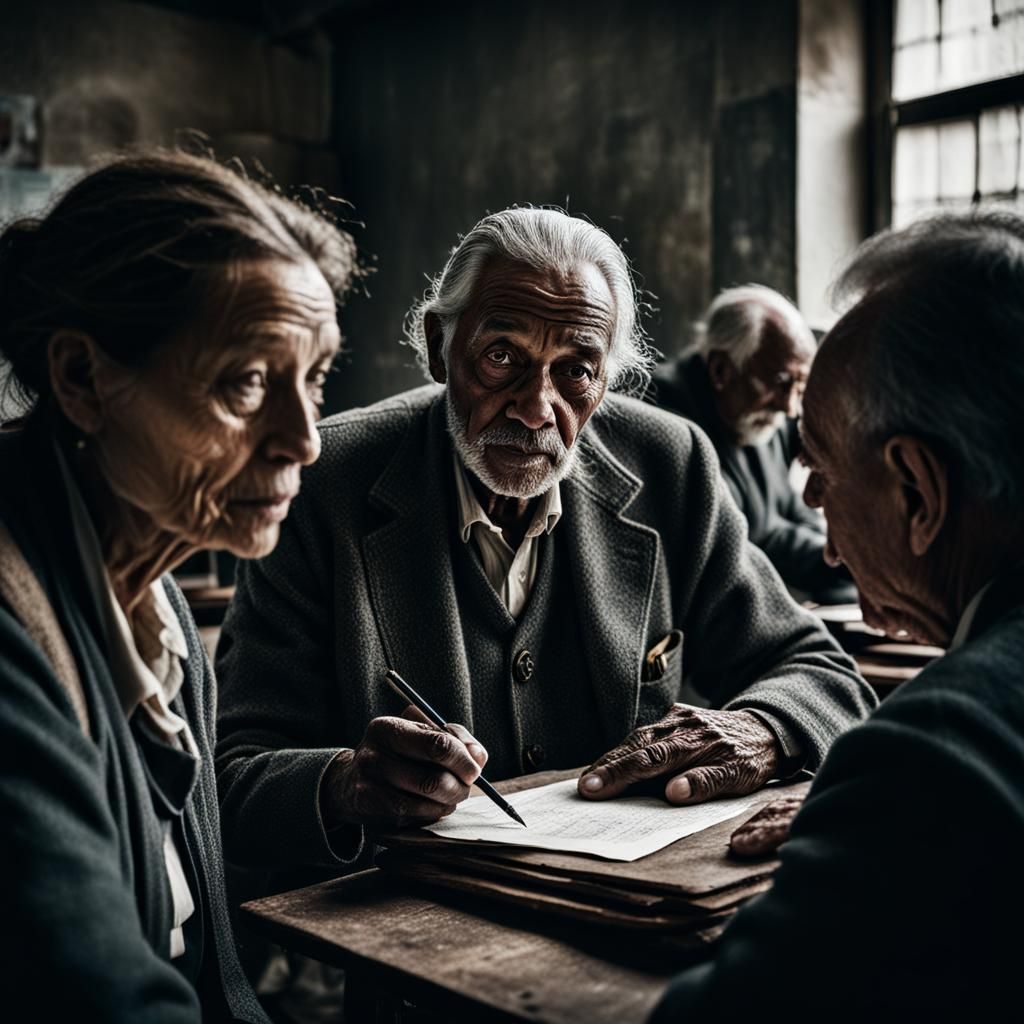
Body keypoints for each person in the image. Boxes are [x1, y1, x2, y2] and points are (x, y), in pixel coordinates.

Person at [214, 207, 875, 876]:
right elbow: (234, 772)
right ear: (440, 344)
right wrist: (343, 784)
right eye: (503, 357)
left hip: (640, 916)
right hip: (416, 935)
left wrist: (760, 729)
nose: (536, 409)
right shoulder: (324, 485)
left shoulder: (670, 465)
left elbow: (822, 673)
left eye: (576, 371)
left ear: (607, 381)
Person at [0, 149, 357, 1021]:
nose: (303, 440)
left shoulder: (157, 615)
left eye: (314, 379)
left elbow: (219, 980)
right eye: (245, 383)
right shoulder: (15, 634)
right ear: (82, 379)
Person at [652, 211, 1024, 1020]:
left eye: (819, 470)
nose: (816, 518)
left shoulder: (930, 761)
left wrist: (867, 837)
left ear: (918, 493)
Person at [651, 285, 854, 603]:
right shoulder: (665, 424)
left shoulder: (754, 415)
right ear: (721, 371)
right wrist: (847, 559)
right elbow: (747, 542)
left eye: (799, 387)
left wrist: (844, 549)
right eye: (781, 383)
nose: (789, 408)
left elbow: (790, 509)